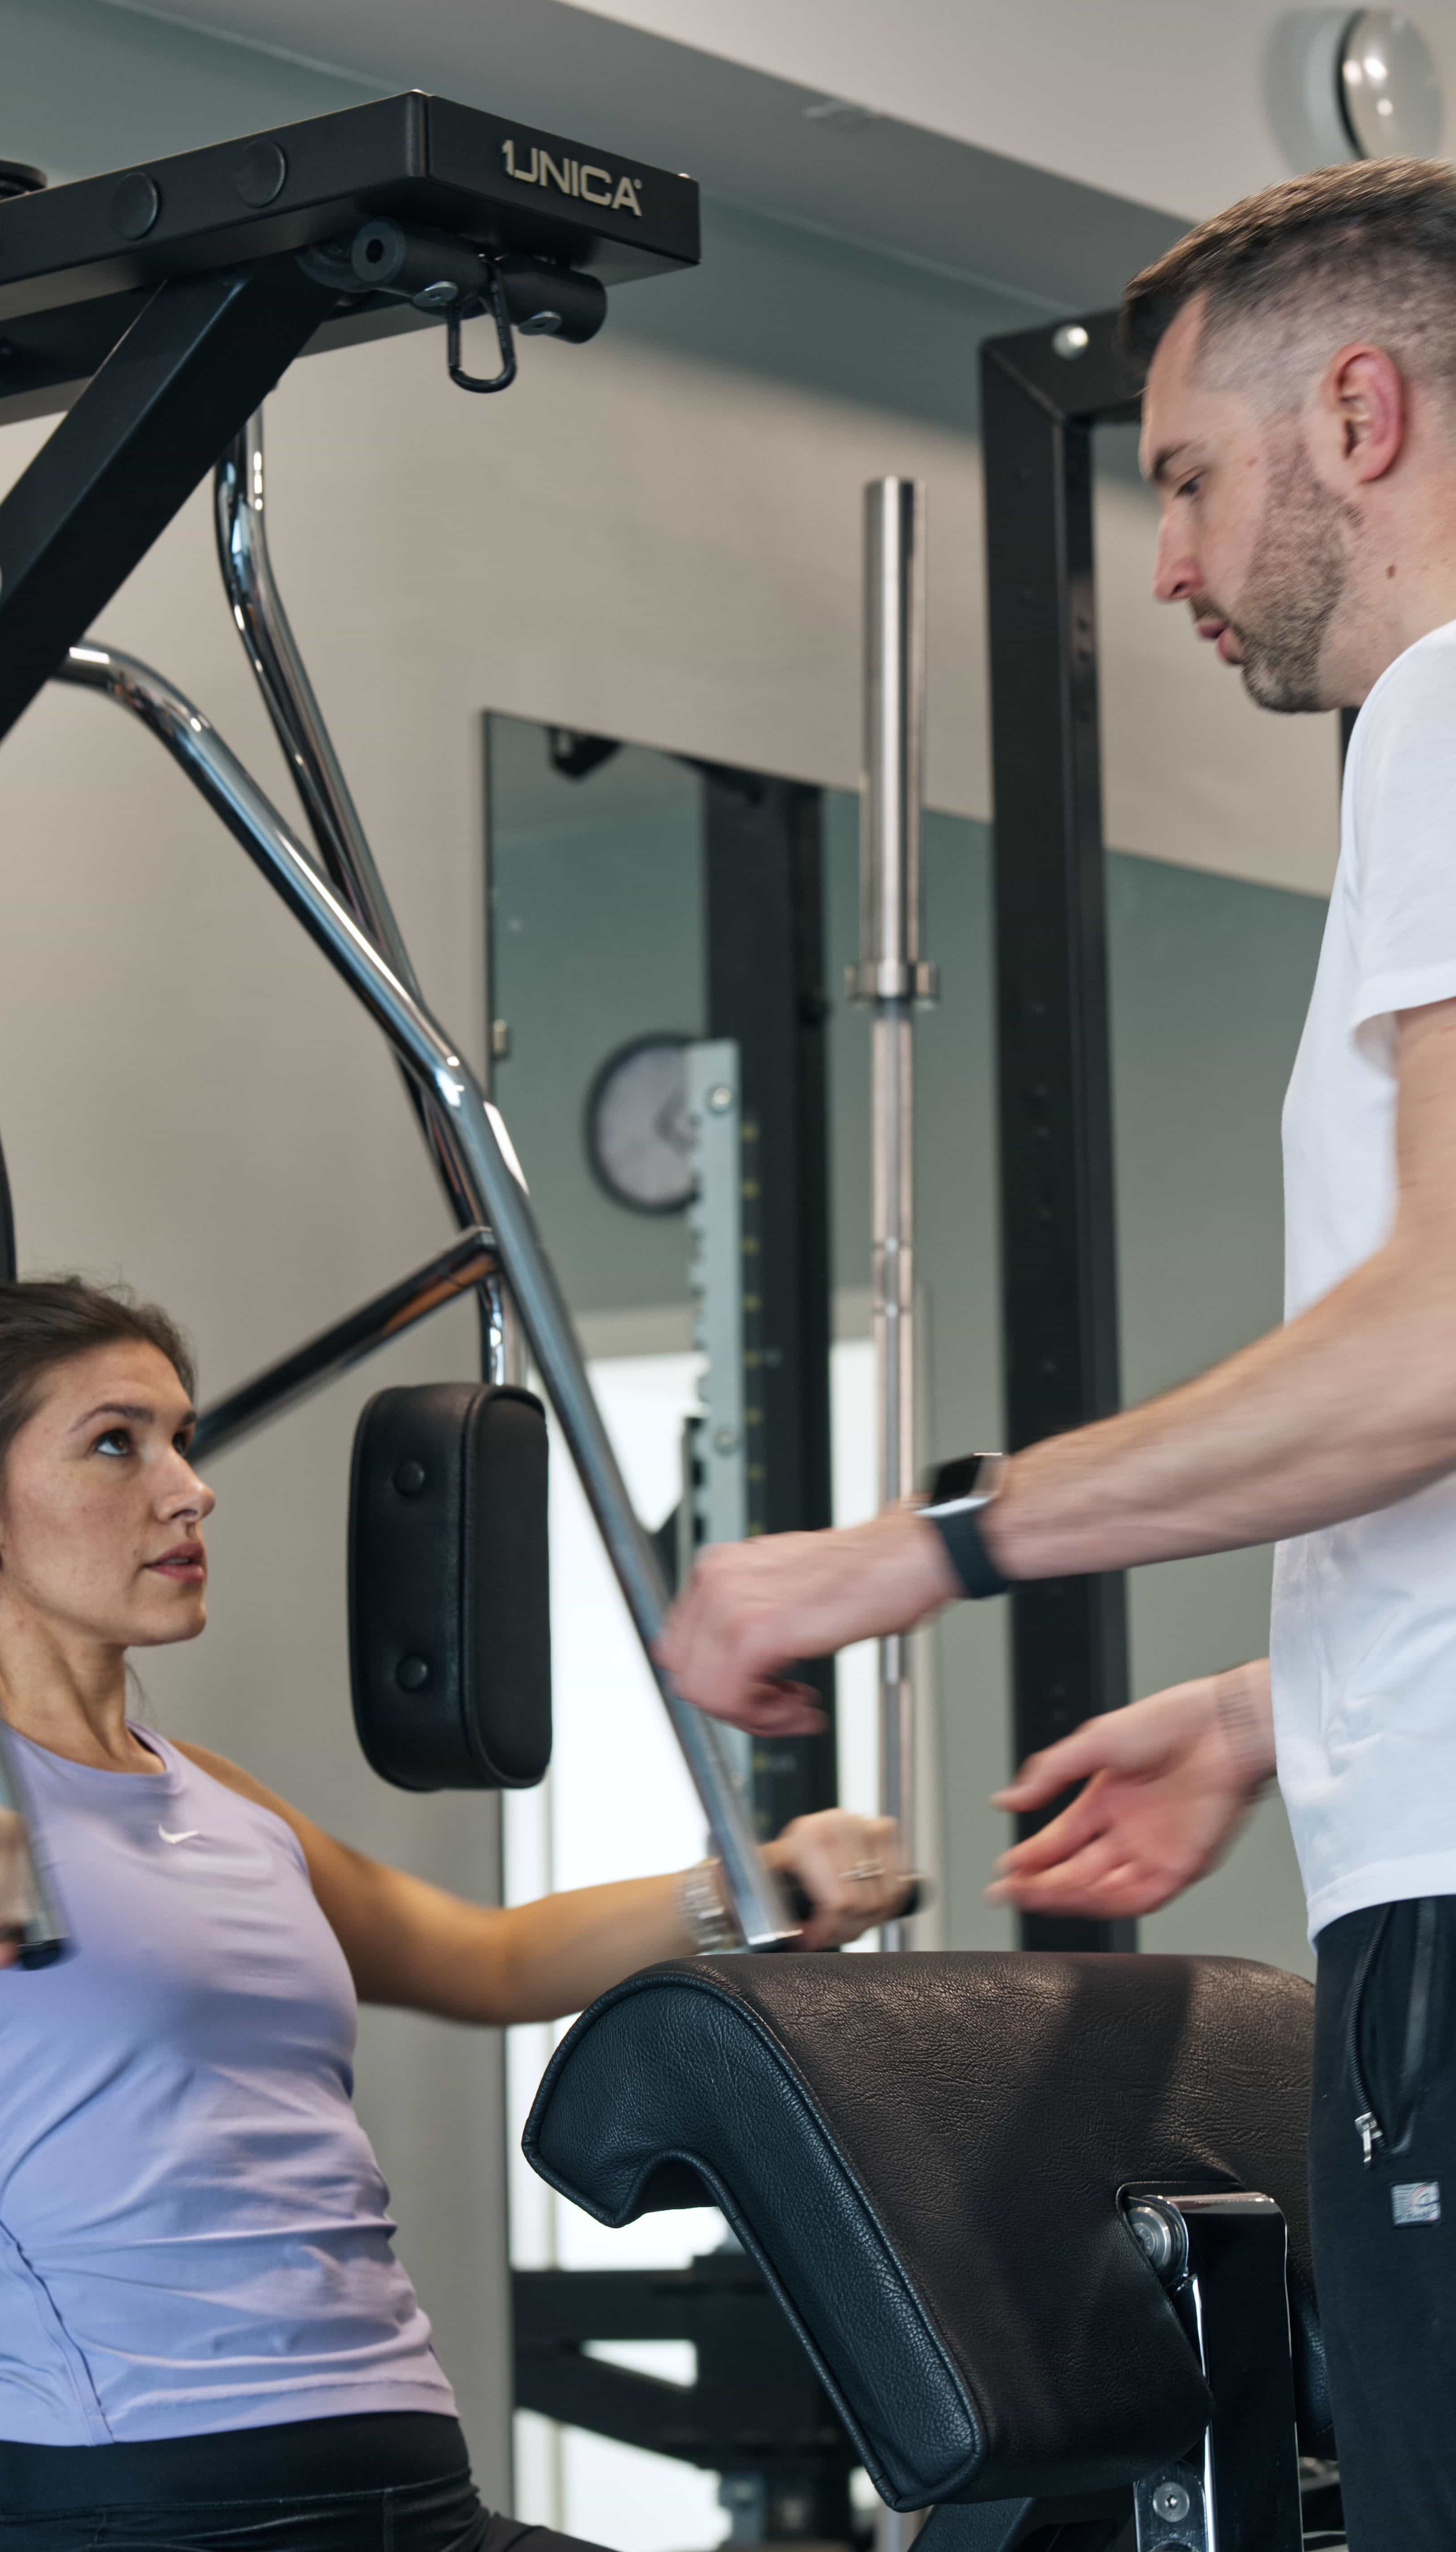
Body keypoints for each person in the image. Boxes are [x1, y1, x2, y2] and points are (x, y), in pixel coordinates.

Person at [656, 155, 1456, 2550]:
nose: (1173, 562)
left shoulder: (1443, 712)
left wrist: (909, 1552)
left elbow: (1434, 1341)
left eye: (1188, 479)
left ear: (1359, 411)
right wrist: (1273, 1707)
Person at [0, 1274, 909, 2552]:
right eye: (115, 1444)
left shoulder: (222, 1801)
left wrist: (751, 1888)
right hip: (139, 2501)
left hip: (407, 2485)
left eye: (182, 1441)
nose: (189, 1488)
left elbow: (489, 1957)